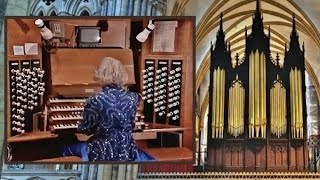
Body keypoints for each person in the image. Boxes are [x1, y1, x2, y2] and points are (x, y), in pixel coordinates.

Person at [62, 57, 154, 162]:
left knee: (66, 147)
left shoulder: (95, 100)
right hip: (127, 150)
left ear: (101, 75)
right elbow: (131, 125)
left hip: (101, 152)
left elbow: (86, 130)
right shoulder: (133, 97)